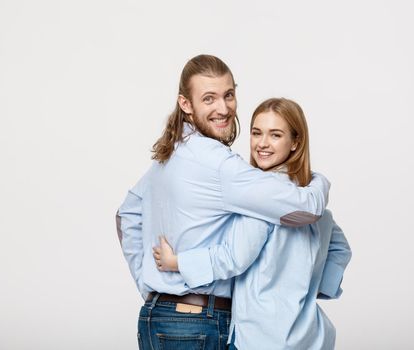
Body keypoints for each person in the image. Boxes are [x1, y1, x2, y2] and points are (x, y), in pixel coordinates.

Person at [116, 55, 331, 350]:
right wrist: (319, 180)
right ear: (186, 105)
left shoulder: (172, 155)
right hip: (198, 323)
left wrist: (152, 287)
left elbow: (125, 214)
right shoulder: (220, 165)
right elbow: (306, 209)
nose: (223, 108)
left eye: (228, 95)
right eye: (209, 99)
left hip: (156, 319)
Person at [153, 98, 352, 349]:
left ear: (296, 142)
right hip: (311, 337)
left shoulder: (261, 202)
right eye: (256, 133)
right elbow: (341, 249)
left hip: (261, 337)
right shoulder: (315, 206)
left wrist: (177, 262)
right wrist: (305, 294)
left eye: (275, 135)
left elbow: (234, 258)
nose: (262, 143)